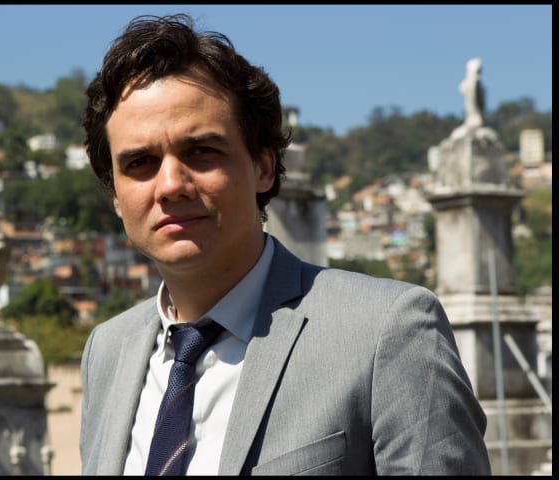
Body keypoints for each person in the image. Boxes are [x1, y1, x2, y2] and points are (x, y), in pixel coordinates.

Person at [79, 13, 491, 475]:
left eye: (202, 152)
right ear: (115, 196)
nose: (171, 184)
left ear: (264, 167)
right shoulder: (106, 353)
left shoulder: (388, 333)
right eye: (140, 162)